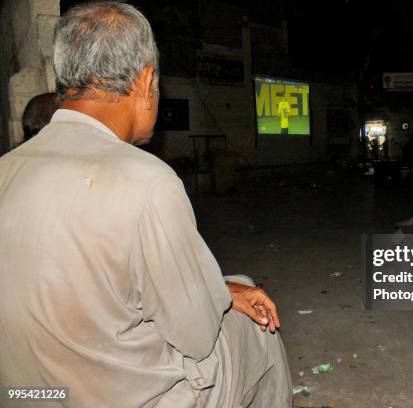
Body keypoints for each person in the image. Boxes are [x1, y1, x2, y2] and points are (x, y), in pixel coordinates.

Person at [0, 3, 291, 408]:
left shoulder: (6, 169)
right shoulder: (146, 180)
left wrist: (219, 289)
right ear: (146, 81)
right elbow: (197, 334)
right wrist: (218, 296)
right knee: (255, 323)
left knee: (226, 288)